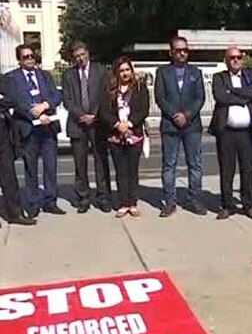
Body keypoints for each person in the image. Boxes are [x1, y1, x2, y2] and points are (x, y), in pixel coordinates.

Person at [5, 45, 64, 218]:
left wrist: (45, 106)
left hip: (48, 128)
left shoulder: (45, 75)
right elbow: (15, 102)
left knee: (51, 167)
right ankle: (32, 204)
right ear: (19, 60)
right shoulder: (12, 78)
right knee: (31, 169)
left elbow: (56, 95)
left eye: (32, 56)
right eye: (25, 57)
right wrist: (35, 115)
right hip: (28, 129)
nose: (30, 59)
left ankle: (50, 201)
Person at [154, 36, 206, 218]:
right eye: (178, 50)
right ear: (171, 52)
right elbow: (160, 98)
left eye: (185, 49)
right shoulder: (162, 72)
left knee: (195, 164)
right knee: (169, 165)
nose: (182, 53)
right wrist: (175, 115)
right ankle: (170, 202)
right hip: (170, 125)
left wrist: (187, 115)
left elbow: (200, 98)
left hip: (192, 126)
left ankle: (195, 199)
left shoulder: (195, 72)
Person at [208, 46, 252, 220]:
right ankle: (228, 205)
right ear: (226, 60)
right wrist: (244, 97)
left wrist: (233, 90)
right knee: (226, 170)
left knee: (248, 170)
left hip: (247, 132)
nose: (235, 60)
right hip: (227, 132)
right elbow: (221, 97)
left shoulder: (250, 76)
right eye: (231, 57)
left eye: (238, 57)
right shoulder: (219, 77)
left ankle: (248, 205)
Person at [61, 41, 112, 213]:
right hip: (78, 124)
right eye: (76, 57)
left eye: (82, 55)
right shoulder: (68, 75)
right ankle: (83, 197)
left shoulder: (101, 71)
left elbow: (106, 95)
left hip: (98, 124)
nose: (80, 59)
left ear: (88, 53)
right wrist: (81, 115)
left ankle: (103, 196)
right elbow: (67, 100)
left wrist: (95, 115)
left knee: (101, 161)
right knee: (79, 163)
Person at [99, 56, 149, 218]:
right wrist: (117, 125)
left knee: (132, 170)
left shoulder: (140, 88)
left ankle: (132, 203)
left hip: (134, 135)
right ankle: (123, 202)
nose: (125, 73)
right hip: (115, 136)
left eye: (127, 70)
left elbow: (143, 110)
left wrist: (130, 124)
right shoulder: (109, 90)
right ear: (117, 73)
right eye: (122, 71)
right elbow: (104, 112)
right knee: (120, 170)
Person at [0, 76, 36, 226]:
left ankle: (15, 213)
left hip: (2, 135)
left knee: (9, 176)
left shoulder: (4, 80)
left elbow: (12, 99)